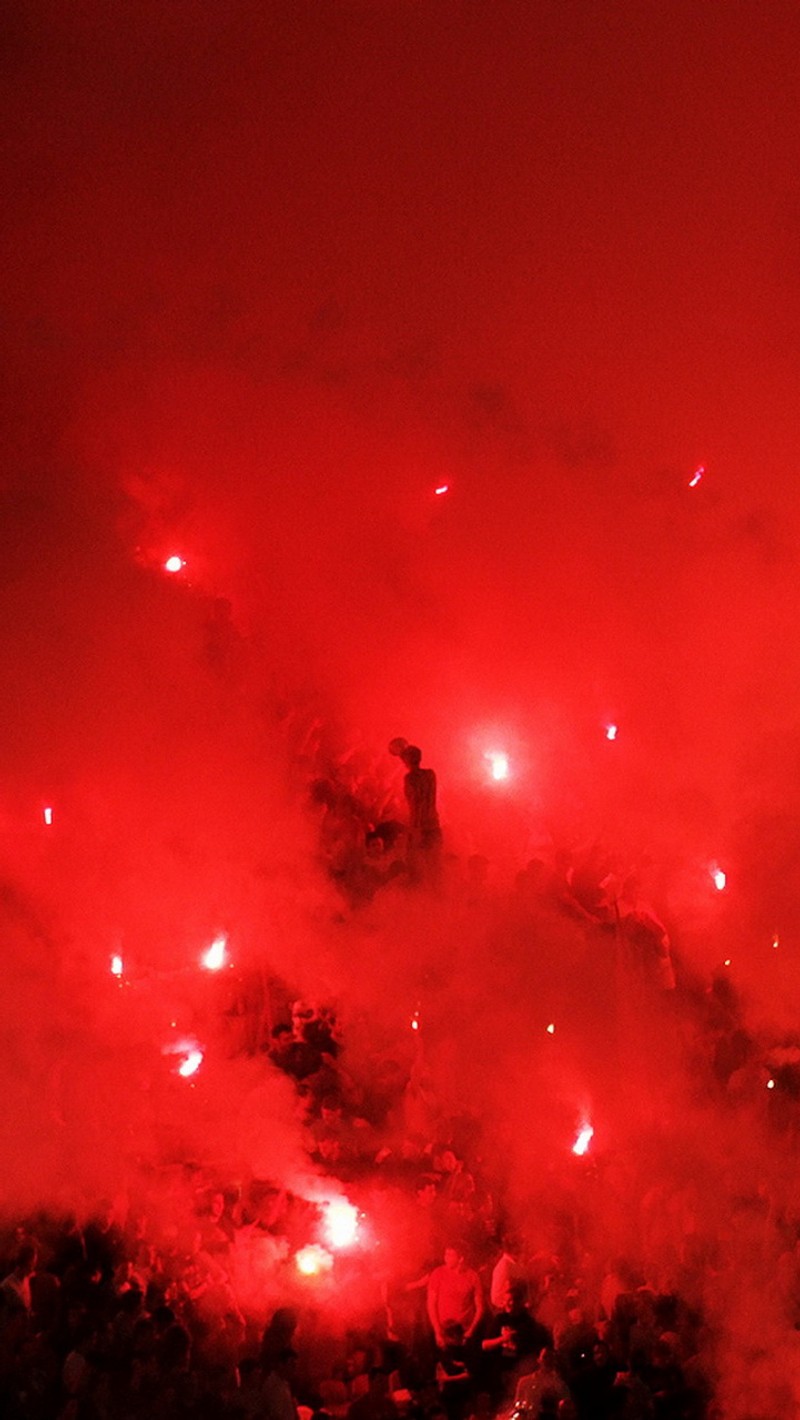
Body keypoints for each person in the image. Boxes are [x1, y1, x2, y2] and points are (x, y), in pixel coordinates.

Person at [427, 1246, 484, 1349]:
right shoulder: (438, 1273)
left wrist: (471, 1330)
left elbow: (479, 1307)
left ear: (461, 1259)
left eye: (450, 1255)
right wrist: (437, 1331)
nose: (446, 1258)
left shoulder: (472, 1276)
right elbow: (431, 1304)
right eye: (445, 1254)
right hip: (445, 1332)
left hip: (465, 1332)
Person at [398, 744, 442, 876]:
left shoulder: (409, 778)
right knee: (435, 863)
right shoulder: (430, 774)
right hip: (434, 823)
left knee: (417, 865)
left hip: (419, 825)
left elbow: (414, 802)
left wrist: (415, 829)